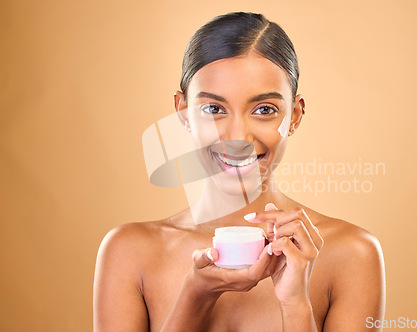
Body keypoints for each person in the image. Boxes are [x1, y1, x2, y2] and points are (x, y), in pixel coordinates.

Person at [93, 11, 385, 331]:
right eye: (214, 109)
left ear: (296, 116)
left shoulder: (351, 254)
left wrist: (295, 304)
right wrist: (195, 296)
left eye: (264, 110)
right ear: (183, 112)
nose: (237, 138)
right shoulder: (129, 252)